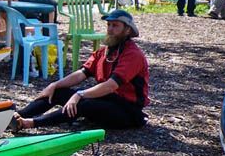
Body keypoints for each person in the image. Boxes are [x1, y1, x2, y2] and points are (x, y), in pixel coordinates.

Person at [10, 9, 149, 130]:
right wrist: (54, 85)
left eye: (115, 26)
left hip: (127, 110)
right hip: (107, 100)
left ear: (128, 30)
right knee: (57, 92)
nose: (110, 29)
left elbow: (110, 86)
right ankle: (16, 116)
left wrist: (79, 94)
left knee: (83, 104)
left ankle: (30, 123)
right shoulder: (103, 52)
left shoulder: (132, 54)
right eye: (108, 25)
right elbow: (82, 74)